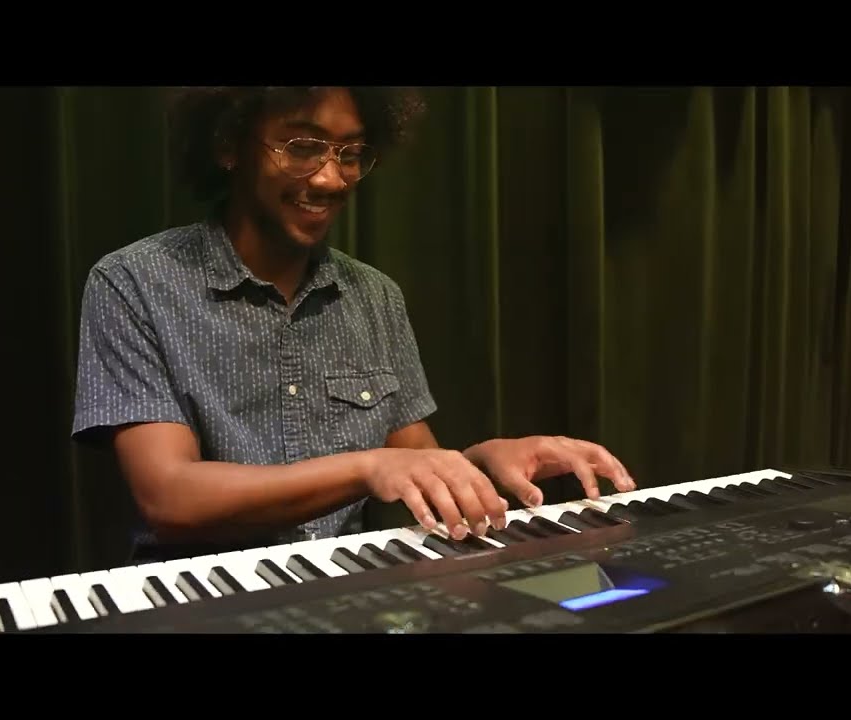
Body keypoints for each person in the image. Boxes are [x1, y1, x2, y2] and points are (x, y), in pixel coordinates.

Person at [71, 86, 635, 559]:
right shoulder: (134, 282)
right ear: (228, 144)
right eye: (302, 147)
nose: (331, 179)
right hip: (202, 599)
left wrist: (484, 460)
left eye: (350, 153)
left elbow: (413, 464)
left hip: (349, 585)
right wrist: (365, 468)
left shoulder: (375, 297)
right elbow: (169, 497)